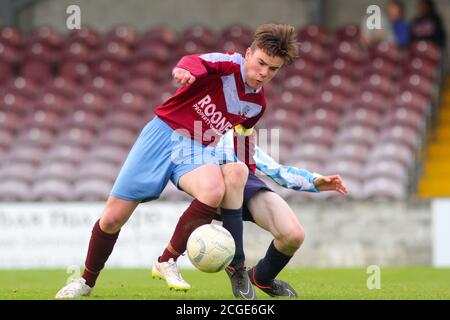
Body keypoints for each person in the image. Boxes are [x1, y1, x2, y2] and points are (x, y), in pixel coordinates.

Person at [55, 24, 300, 299]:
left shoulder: (257, 105)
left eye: (273, 69)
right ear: (248, 54)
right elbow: (193, 62)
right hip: (162, 134)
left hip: (195, 147)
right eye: (261, 63)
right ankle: (86, 282)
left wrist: (249, 175)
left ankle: (166, 260)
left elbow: (243, 138)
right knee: (112, 219)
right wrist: (185, 71)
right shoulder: (228, 64)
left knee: (213, 189)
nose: (264, 73)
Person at [152, 129, 348, 299]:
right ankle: (236, 267)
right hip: (215, 189)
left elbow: (276, 170)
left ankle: (262, 277)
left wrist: (314, 181)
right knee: (237, 170)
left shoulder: (238, 133)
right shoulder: (194, 135)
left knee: (293, 235)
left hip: (248, 185)